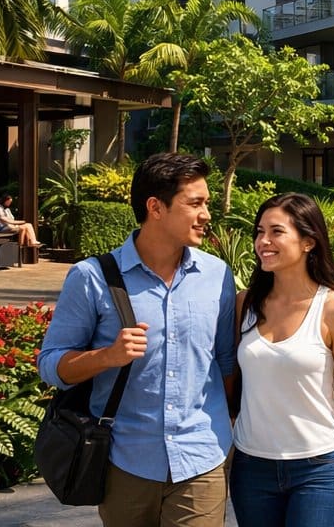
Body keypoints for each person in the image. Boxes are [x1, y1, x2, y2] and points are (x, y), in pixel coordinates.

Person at [38, 153, 236, 527]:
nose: (206, 214)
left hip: (201, 458)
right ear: (155, 207)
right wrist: (107, 356)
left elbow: (225, 363)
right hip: (124, 461)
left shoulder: (216, 274)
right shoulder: (92, 277)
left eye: (205, 203)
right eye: (195, 203)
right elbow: (50, 365)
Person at [231, 194, 334, 527]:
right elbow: (230, 383)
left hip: (318, 469)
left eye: (276, 232)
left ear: (308, 242)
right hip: (251, 467)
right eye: (259, 232)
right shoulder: (244, 305)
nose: (263, 242)